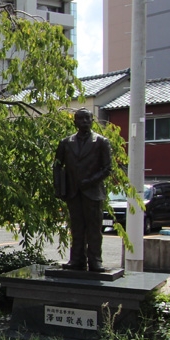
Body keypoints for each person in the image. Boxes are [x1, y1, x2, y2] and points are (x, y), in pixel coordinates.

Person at [53, 108, 112, 272]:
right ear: (75, 122)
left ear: (92, 121)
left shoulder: (101, 142)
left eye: (87, 118)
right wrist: (59, 187)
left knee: (94, 229)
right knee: (77, 228)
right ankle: (77, 259)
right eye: (81, 119)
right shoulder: (66, 143)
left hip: (92, 192)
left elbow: (107, 169)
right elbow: (57, 166)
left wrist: (90, 182)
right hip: (73, 192)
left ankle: (95, 261)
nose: (84, 121)